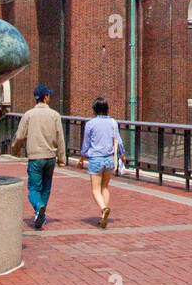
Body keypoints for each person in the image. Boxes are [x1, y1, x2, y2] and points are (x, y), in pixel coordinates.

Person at [10, 84, 67, 230]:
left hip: (35, 157)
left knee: (34, 189)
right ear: (46, 97)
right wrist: (61, 159)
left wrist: (14, 150)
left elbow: (20, 135)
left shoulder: (28, 115)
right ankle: (40, 213)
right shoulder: (55, 115)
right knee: (46, 188)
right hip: (50, 157)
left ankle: (38, 207)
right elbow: (60, 138)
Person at [78, 97, 125, 228]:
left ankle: (104, 208)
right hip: (109, 159)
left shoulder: (90, 124)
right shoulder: (113, 122)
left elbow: (86, 145)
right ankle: (103, 214)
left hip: (96, 159)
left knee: (95, 189)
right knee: (105, 187)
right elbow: (119, 140)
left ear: (94, 109)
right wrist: (122, 155)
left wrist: (81, 159)